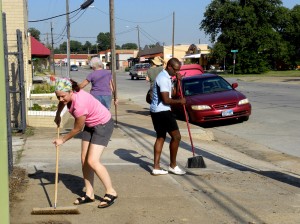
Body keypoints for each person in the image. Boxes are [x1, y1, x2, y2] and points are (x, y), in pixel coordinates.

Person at [53, 78, 118, 208]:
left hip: (103, 125)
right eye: (58, 97)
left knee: (93, 161)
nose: (61, 99)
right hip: (90, 124)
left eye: (63, 96)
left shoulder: (79, 104)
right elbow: (62, 102)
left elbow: (77, 129)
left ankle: (111, 191)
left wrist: (62, 139)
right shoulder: (68, 95)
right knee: (84, 159)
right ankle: (89, 194)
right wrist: (58, 114)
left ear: (71, 91)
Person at [150, 58, 186, 176]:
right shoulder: (163, 78)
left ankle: (156, 167)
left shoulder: (167, 77)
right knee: (176, 137)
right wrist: (180, 101)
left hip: (156, 111)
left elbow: (173, 93)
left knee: (160, 137)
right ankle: (173, 166)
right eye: (175, 70)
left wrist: (178, 81)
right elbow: (166, 100)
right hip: (162, 111)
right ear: (169, 66)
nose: (177, 72)